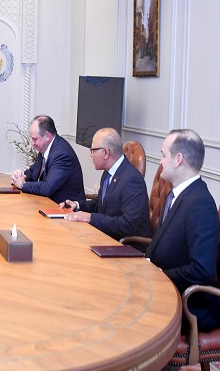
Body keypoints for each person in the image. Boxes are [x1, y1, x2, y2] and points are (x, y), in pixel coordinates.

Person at [145, 129, 220, 332]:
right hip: (162, 289)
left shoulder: (200, 204)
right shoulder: (176, 194)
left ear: (178, 159)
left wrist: (160, 275)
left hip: (186, 303)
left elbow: (202, 271)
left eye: (163, 155)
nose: (160, 162)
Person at [59, 128, 151, 241]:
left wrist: (90, 218)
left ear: (106, 152)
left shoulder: (132, 180)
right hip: (106, 236)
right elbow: (101, 204)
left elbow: (127, 225)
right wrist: (77, 205)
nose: (91, 155)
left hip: (125, 244)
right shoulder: (109, 172)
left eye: (93, 150)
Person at [10, 115, 85, 204]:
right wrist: (19, 177)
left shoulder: (62, 154)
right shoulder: (45, 148)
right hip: (48, 204)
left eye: (35, 139)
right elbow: (33, 172)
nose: (33, 143)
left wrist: (23, 185)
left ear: (47, 136)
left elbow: (47, 188)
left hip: (66, 208)